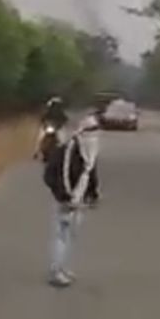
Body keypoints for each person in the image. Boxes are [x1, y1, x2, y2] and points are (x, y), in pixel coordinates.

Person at [44, 99, 104, 288]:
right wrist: (63, 196)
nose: (95, 136)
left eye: (97, 131)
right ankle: (56, 271)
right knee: (62, 236)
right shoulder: (67, 150)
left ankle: (62, 268)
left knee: (71, 236)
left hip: (79, 202)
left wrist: (93, 195)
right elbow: (50, 174)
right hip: (66, 201)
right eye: (91, 131)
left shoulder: (89, 152)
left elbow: (91, 173)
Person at [34, 96, 69, 160]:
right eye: (54, 104)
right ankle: (36, 152)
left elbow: (65, 120)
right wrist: (44, 124)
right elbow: (43, 119)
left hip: (57, 128)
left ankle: (66, 152)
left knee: (63, 140)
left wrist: (61, 124)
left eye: (57, 105)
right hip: (48, 128)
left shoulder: (61, 113)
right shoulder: (47, 112)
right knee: (40, 138)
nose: (55, 106)